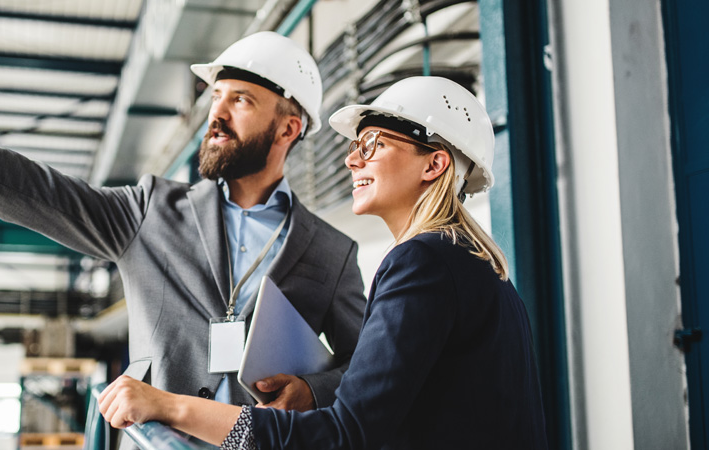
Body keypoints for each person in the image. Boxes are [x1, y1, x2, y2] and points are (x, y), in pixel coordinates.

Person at [0, 30, 367, 441]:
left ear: (288, 127)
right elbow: (26, 187)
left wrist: (316, 392)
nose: (215, 115)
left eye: (240, 100)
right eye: (215, 96)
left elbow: (370, 366)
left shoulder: (329, 251)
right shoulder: (151, 210)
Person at [97, 76, 549, 449]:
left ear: (433, 165)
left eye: (371, 143)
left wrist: (173, 408)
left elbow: (342, 436)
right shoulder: (480, 271)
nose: (352, 159)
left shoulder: (421, 263)